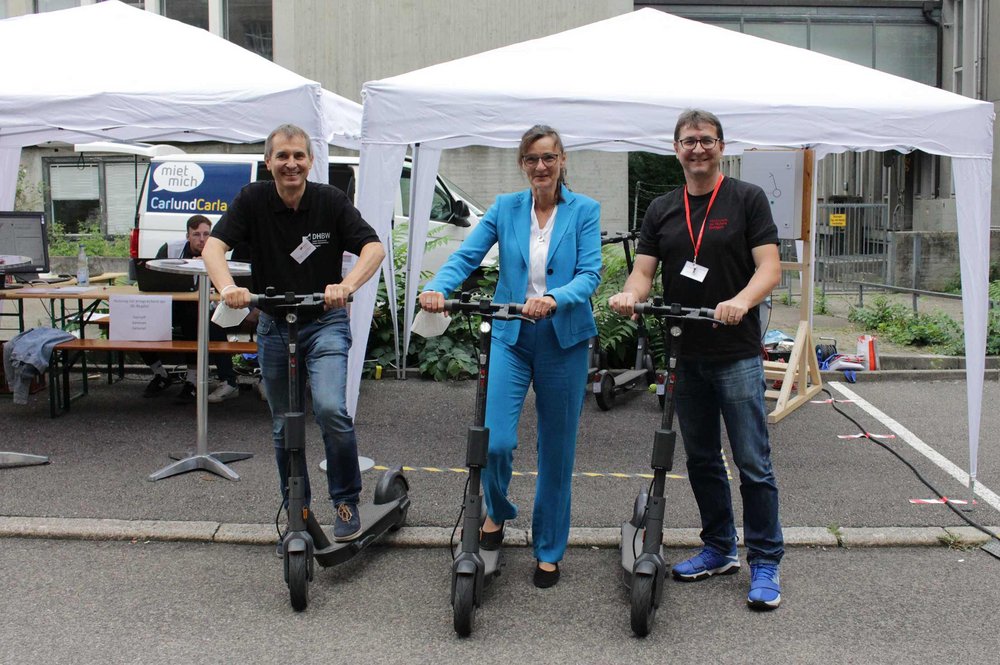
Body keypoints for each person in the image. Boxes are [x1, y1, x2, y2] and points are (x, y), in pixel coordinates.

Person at [608, 109, 784, 610]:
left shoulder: (746, 199)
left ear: (721, 146)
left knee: (752, 461)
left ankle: (766, 559)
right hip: (686, 354)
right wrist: (629, 294)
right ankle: (719, 547)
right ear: (677, 148)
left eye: (706, 140)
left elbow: (768, 267)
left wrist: (742, 302)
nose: (698, 149)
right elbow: (643, 272)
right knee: (702, 459)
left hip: (735, 353)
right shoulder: (664, 208)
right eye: (689, 141)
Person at [419, 125, 601, 588]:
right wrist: (438, 286)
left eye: (549, 157)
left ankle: (549, 548)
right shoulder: (505, 207)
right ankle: (497, 512)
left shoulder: (584, 211)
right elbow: (468, 255)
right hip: (512, 338)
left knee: (556, 451)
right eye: (532, 159)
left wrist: (556, 297)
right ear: (522, 164)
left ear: (562, 160)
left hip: (564, 341)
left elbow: (590, 273)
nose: (541, 166)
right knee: (495, 440)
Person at [202, 123, 385, 544]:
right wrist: (228, 287)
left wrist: (347, 285)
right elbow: (214, 246)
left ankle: (345, 499)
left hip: (323, 322)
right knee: (285, 424)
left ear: (310, 161)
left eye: (298, 155)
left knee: (329, 409)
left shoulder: (329, 201)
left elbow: (372, 247)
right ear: (269, 162)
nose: (291, 163)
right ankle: (295, 503)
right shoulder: (253, 200)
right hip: (274, 325)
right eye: (282, 156)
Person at [141, 214, 240, 404]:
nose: (202, 240)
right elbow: (153, 277)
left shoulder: (215, 252)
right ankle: (160, 374)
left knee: (200, 320)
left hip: (199, 310)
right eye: (196, 235)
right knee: (137, 321)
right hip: (169, 305)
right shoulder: (170, 249)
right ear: (187, 235)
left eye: (206, 235)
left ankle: (195, 380)